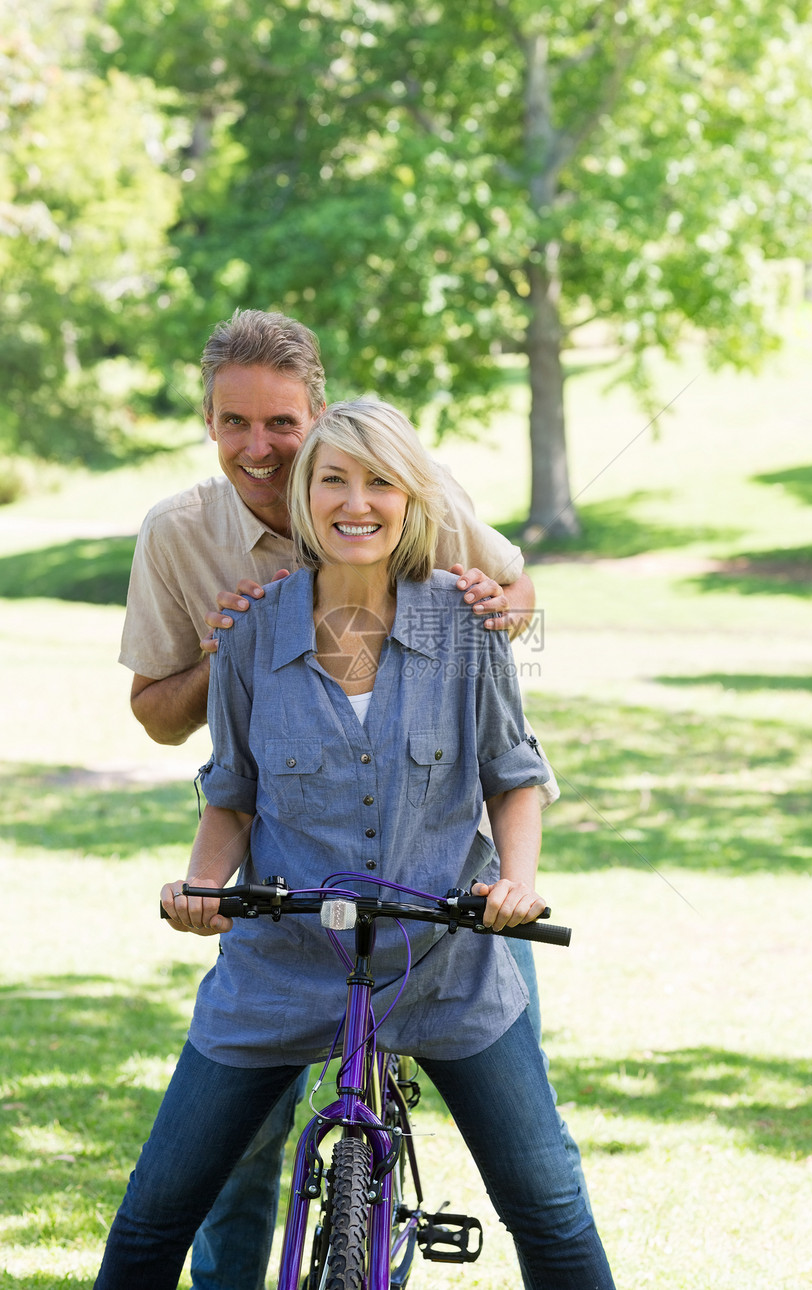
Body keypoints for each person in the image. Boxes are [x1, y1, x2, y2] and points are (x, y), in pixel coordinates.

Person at [118, 310, 592, 1289]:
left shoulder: (457, 617)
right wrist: (201, 886)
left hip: (445, 953)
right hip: (284, 956)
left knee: (547, 1205)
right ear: (302, 494)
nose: (354, 500)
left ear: (409, 496)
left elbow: (513, 765)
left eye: (376, 482)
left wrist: (518, 882)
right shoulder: (243, 626)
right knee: (159, 1212)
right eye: (334, 482)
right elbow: (228, 789)